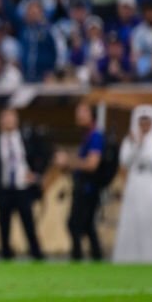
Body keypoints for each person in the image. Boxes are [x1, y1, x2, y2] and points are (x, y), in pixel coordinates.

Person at [0, 108, 50, 260]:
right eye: (5, 117)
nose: (8, 120)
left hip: (23, 188)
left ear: (17, 120)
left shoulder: (26, 139)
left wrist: (37, 174)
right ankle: (5, 253)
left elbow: (45, 154)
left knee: (28, 222)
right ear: (0, 121)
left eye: (11, 117)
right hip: (4, 188)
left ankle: (36, 252)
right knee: (4, 223)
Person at [114, 105, 152, 264]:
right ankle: (127, 258)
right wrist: (136, 145)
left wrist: (141, 145)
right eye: (141, 121)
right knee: (131, 221)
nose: (144, 124)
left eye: (148, 121)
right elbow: (124, 160)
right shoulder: (130, 140)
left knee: (151, 223)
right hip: (134, 184)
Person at [55, 103, 105, 261]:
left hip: (88, 189)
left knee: (75, 224)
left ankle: (78, 257)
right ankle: (96, 258)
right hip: (82, 187)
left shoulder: (96, 137)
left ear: (92, 115)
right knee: (87, 226)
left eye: (83, 112)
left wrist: (68, 161)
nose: (79, 116)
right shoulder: (86, 137)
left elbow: (92, 164)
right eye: (78, 113)